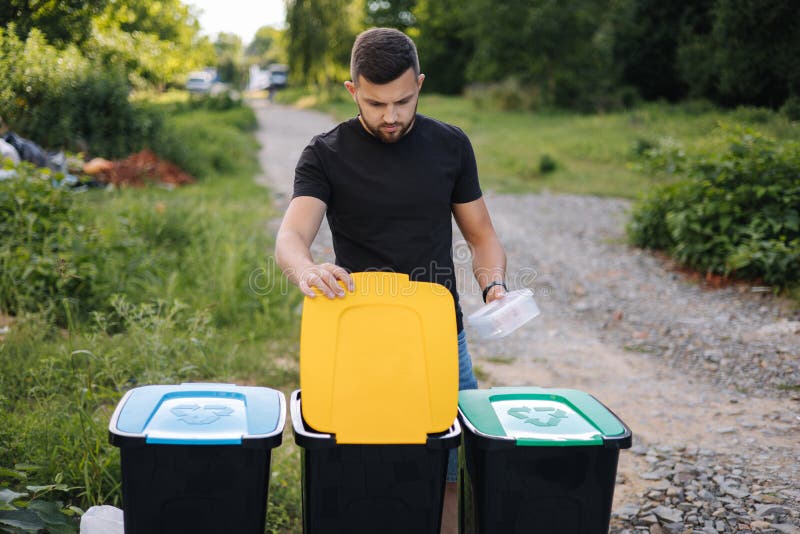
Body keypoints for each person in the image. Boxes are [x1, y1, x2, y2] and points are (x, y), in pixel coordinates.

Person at [275, 27, 507, 533]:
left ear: (419, 84)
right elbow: (291, 236)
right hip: (357, 341)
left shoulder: (450, 146)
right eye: (376, 103)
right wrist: (308, 269)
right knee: (359, 467)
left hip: (440, 341)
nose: (391, 116)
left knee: (448, 472)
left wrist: (494, 287)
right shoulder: (325, 153)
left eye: (403, 100)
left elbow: (482, 236)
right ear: (352, 89)